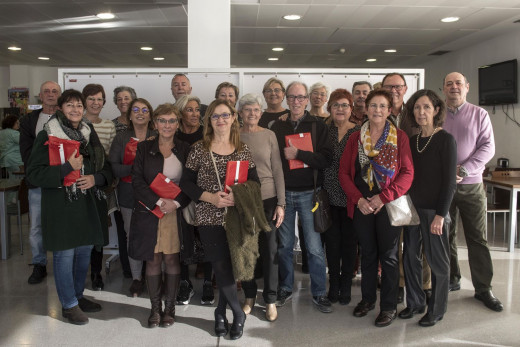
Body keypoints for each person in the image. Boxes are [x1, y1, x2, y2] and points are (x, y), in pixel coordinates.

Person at [26, 89, 113, 325]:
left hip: (85, 204)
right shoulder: (48, 134)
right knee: (65, 255)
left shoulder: (87, 132)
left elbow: (106, 167)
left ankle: (78, 296)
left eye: (78, 106)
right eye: (69, 105)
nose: (75, 110)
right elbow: (33, 174)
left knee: (83, 253)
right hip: (61, 205)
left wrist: (96, 178)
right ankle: (68, 305)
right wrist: (65, 167)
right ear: (60, 109)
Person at [180, 99, 259, 340]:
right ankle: (238, 313)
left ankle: (219, 312)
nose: (220, 120)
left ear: (234, 117)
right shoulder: (199, 148)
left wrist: (239, 195)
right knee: (220, 265)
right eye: (215, 116)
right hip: (208, 215)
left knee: (231, 266)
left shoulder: (242, 149)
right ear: (209, 121)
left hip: (235, 217)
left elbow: (254, 183)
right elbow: (185, 183)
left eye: (225, 115)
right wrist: (211, 198)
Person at [338, 89, 414, 327]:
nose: (377, 110)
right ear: (366, 109)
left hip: (388, 205)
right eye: (373, 106)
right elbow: (343, 173)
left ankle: (389, 306)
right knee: (368, 255)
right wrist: (359, 199)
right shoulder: (354, 138)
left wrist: (383, 198)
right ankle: (368, 300)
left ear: (389, 111)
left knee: (389, 257)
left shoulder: (399, 137)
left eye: (382, 106)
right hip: (361, 206)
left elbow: (407, 173)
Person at [443, 72, 503, 312]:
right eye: (449, 84)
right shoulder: (437, 115)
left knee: (477, 238)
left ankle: (483, 288)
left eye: (458, 83)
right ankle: (451, 278)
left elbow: (488, 147)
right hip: (444, 188)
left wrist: (465, 169)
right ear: (443, 89)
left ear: (467, 87)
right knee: (444, 236)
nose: (454, 87)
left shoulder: (480, 114)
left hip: (472, 186)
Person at [270, 81, 333, 313]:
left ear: (307, 99)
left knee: (314, 247)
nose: (296, 101)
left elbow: (326, 159)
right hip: (284, 194)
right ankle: (285, 288)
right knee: (284, 246)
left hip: (310, 194)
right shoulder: (277, 127)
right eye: (292, 97)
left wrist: (299, 154)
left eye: (300, 97)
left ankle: (319, 293)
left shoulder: (318, 126)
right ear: (286, 99)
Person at [129, 103, 192, 328]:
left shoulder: (185, 149)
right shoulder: (144, 148)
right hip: (149, 211)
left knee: (172, 259)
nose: (167, 125)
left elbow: (191, 184)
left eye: (172, 121)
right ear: (155, 124)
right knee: (153, 259)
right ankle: (155, 310)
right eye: (163, 121)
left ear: (178, 124)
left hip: (174, 212)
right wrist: (157, 201)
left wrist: (175, 203)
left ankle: (170, 309)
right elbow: (137, 180)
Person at [400, 89, 457, 327]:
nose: (421, 112)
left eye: (426, 107)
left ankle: (437, 309)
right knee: (410, 258)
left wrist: (441, 216)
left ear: (436, 110)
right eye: (416, 108)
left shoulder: (446, 140)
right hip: (413, 210)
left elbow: (449, 182)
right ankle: (415, 303)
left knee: (437, 263)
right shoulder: (412, 141)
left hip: (435, 212)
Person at [238, 93, 286, 322]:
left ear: (261, 112)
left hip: (268, 198)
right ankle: (249, 296)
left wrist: (281, 203)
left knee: (270, 251)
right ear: (240, 113)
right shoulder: (233, 135)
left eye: (256, 110)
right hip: (242, 199)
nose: (252, 114)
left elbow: (277, 169)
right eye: (248, 110)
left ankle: (270, 299)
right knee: (246, 249)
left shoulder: (269, 135)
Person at [109, 98, 156, 297]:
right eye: (135, 109)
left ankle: (154, 276)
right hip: (128, 192)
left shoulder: (157, 135)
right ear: (129, 115)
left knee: (155, 235)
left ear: (150, 115)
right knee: (132, 236)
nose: (140, 113)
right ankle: (137, 278)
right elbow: (115, 167)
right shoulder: (121, 137)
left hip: (155, 193)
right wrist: (139, 168)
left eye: (145, 109)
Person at [174, 95, 214, 306]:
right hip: (178, 195)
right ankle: (184, 283)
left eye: (197, 110)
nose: (195, 114)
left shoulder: (207, 134)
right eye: (189, 110)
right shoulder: (174, 135)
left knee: (206, 239)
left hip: (204, 195)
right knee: (183, 240)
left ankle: (208, 281)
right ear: (181, 113)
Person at [19, 80, 62, 284]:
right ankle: (39, 264)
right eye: (47, 91)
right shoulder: (29, 120)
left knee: (63, 223)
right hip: (38, 183)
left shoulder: (66, 118)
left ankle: (64, 263)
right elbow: (27, 153)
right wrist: (43, 171)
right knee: (36, 226)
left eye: (55, 91)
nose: (51, 94)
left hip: (63, 181)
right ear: (40, 95)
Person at [322, 89, 360, 305]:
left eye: (345, 105)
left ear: (351, 109)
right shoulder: (323, 131)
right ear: (330, 108)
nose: (340, 109)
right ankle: (333, 284)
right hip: (327, 198)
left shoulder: (358, 132)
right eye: (336, 105)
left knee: (349, 245)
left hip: (351, 198)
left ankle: (346, 285)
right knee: (332, 244)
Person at [82, 84, 116, 291]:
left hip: (100, 185)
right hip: (78, 184)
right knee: (81, 230)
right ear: (84, 101)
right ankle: (80, 271)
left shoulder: (108, 126)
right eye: (91, 99)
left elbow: (111, 157)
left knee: (98, 231)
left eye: (99, 99)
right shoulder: (74, 124)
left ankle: (96, 273)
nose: (96, 103)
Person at [111, 85, 138, 279]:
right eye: (119, 99)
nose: (123, 102)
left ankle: (145, 271)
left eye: (126, 98)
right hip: (122, 185)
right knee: (125, 231)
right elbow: (113, 161)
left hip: (148, 190)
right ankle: (130, 271)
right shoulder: (115, 129)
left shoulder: (151, 130)